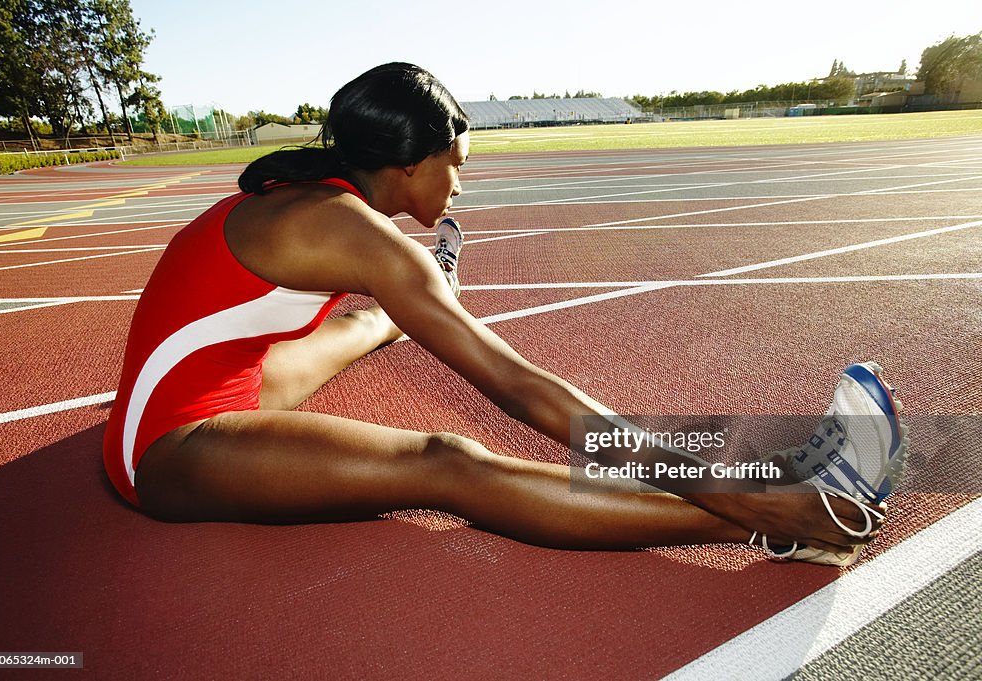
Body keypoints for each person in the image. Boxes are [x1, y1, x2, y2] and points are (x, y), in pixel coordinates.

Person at [103, 62, 900, 563]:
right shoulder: (353, 232)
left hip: (208, 383)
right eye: (456, 165)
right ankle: (776, 517)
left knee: (365, 324)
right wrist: (734, 492)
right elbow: (526, 389)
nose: (461, 186)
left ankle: (429, 292)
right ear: (410, 164)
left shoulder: (315, 195)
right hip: (166, 450)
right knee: (447, 462)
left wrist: (424, 285)